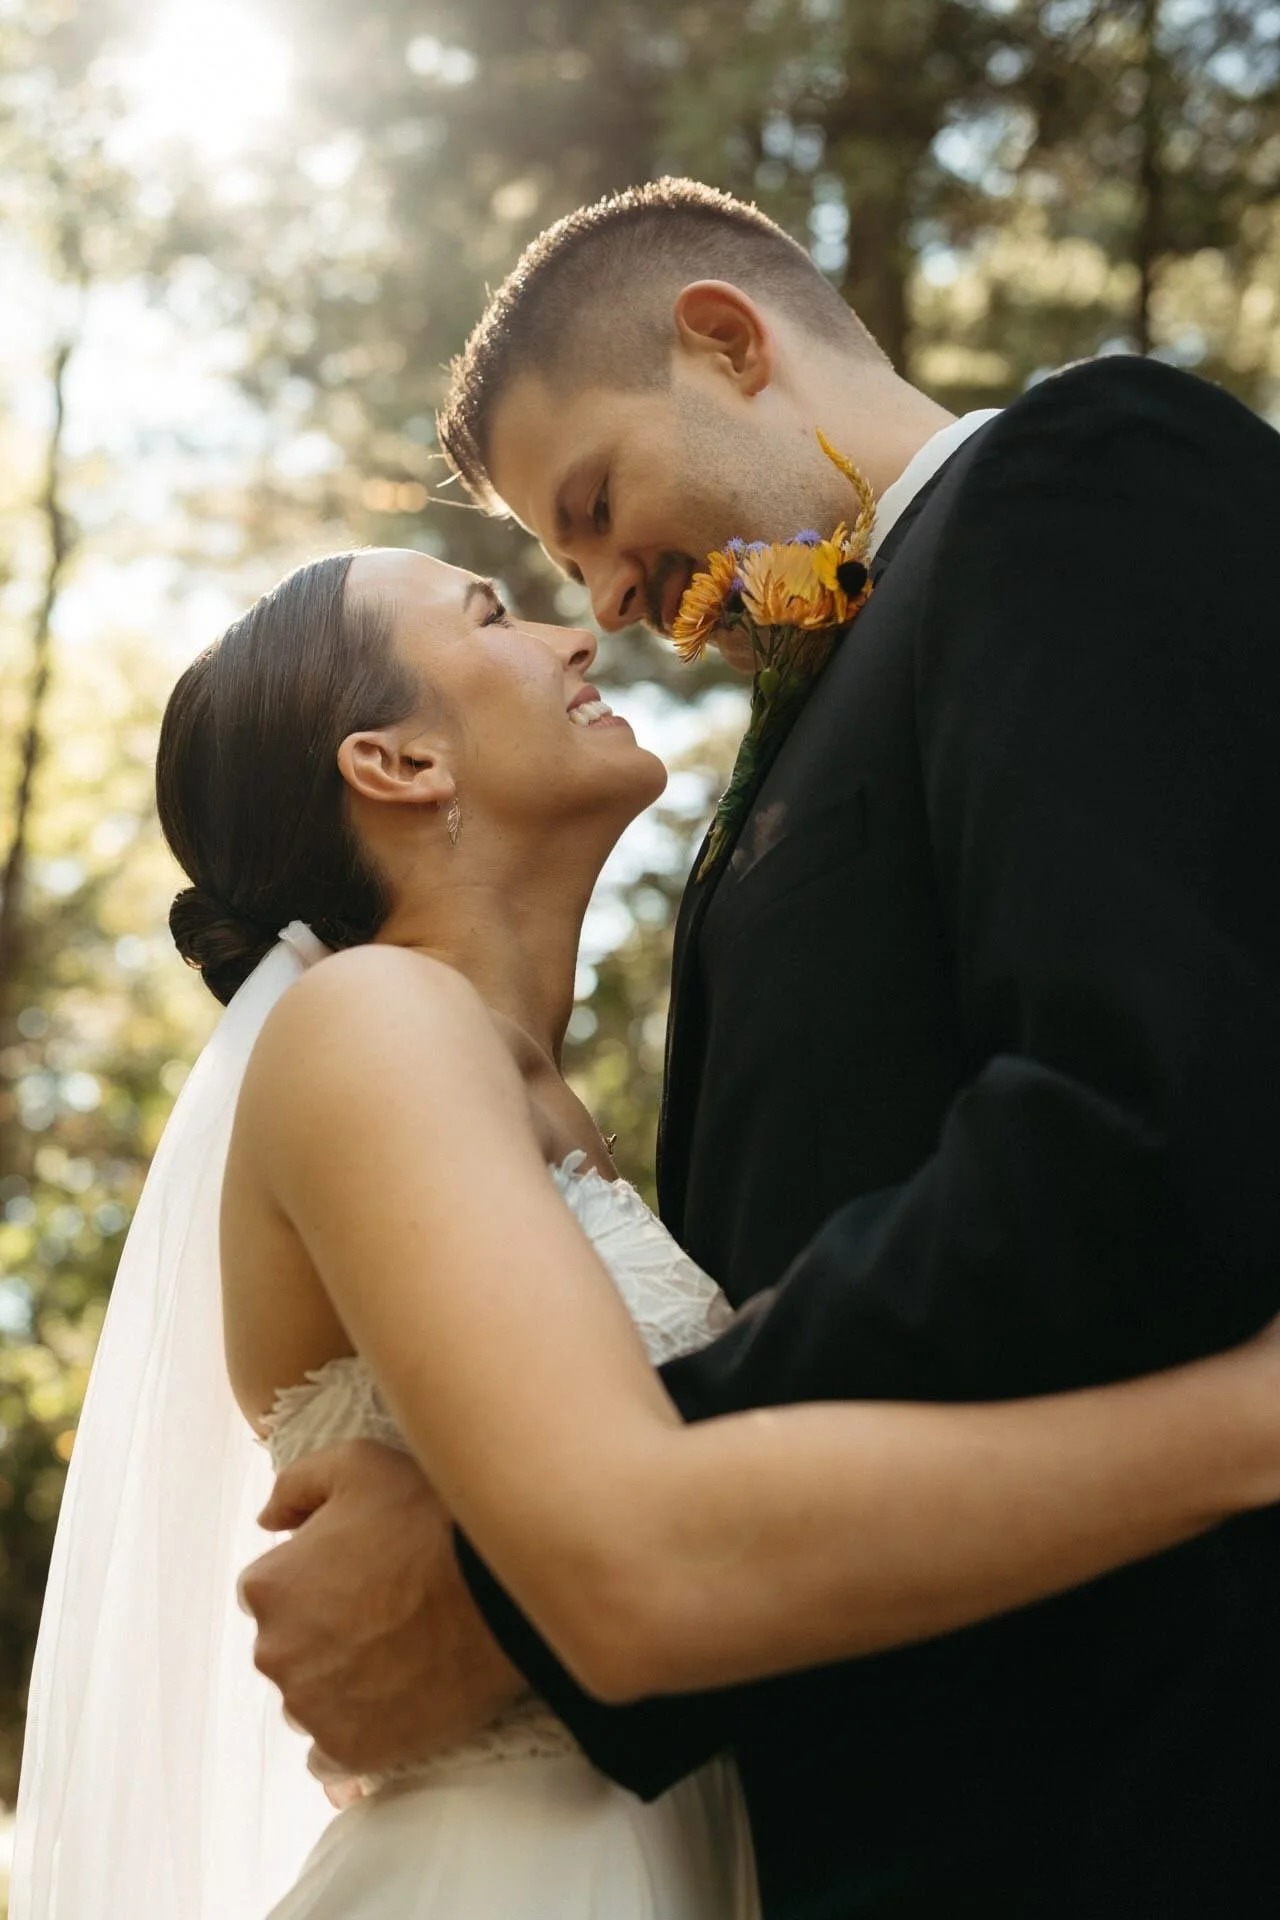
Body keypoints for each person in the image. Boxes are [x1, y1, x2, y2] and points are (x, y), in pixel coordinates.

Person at [238, 179, 1280, 1918]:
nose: (620, 603)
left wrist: (530, 1576)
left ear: (725, 343)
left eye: (599, 509)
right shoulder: (783, 771)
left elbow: (1142, 1126)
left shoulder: (1073, 482)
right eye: (563, 575)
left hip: (1158, 1788)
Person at [11, 540, 1280, 1920]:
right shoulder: (370, 1019)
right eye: (494, 612)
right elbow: (648, 1568)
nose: (579, 636)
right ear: (398, 765)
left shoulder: (543, 1104)